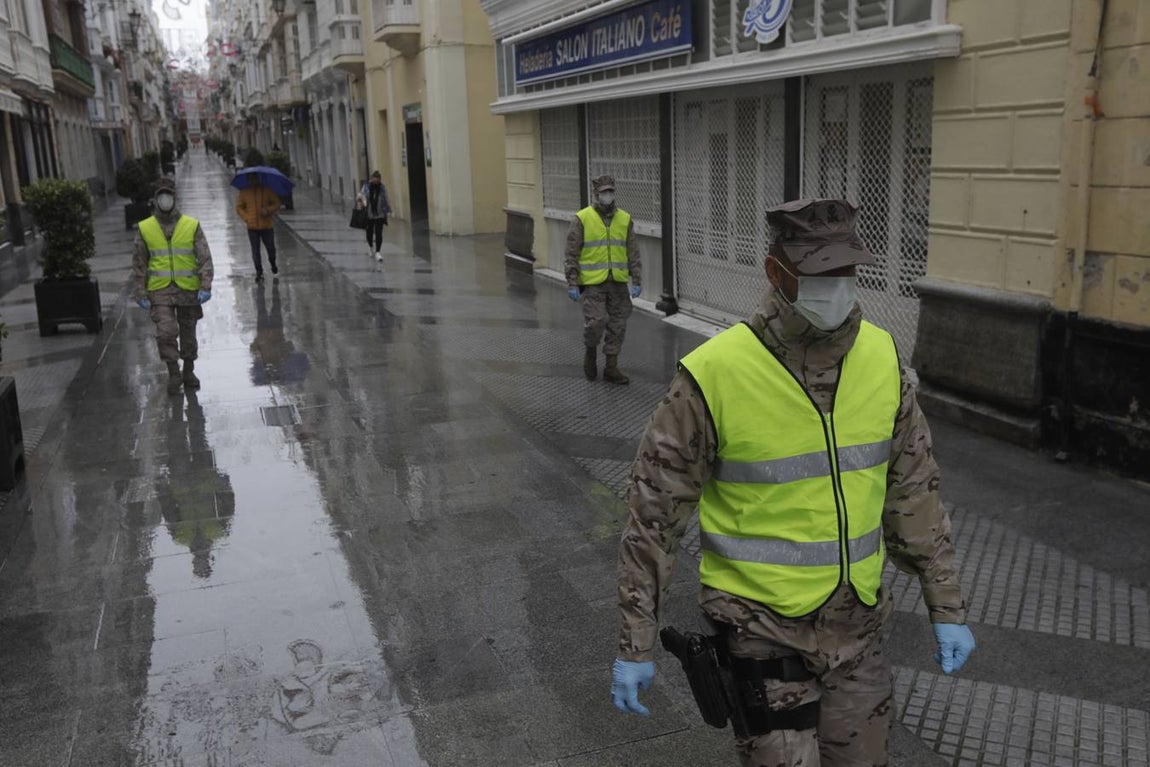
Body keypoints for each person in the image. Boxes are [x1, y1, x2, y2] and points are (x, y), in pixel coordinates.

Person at [610, 198, 976, 766]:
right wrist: (636, 643)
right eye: (817, 272)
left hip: (857, 633)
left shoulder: (882, 359)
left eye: (845, 271)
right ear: (775, 271)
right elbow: (654, 520)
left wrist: (946, 606)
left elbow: (915, 494)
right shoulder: (716, 374)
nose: (835, 285)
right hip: (762, 634)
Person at [132, 177, 214, 395]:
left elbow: (204, 256)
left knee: (188, 332)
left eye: (168, 195)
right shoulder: (145, 228)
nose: (165, 200)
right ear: (155, 200)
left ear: (175, 198)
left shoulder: (191, 225)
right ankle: (173, 373)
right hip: (159, 290)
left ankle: (188, 370)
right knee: (165, 332)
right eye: (161, 196)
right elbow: (139, 262)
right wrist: (140, 291)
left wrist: (206, 285)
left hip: (188, 288)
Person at [565, 175, 642, 385]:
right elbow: (571, 253)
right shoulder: (582, 218)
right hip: (593, 284)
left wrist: (637, 279)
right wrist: (572, 282)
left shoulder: (624, 219)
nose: (607, 195)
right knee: (596, 322)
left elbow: (632, 252)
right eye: (603, 192)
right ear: (596, 194)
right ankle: (590, 352)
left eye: (610, 191)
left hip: (617, 283)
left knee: (618, 326)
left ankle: (611, 367)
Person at [235, 172, 281, 280]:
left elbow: (277, 203)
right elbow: (239, 207)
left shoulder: (267, 190)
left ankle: (273, 263)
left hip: (267, 226)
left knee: (271, 248)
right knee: (255, 250)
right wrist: (247, 218)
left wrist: (267, 210)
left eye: (254, 178)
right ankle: (259, 272)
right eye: (250, 179)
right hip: (252, 227)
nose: (252, 181)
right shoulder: (244, 192)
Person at [357, 170, 392, 261]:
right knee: (369, 232)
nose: (376, 181)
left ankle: (378, 252)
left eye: (378, 179)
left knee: (379, 233)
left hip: (379, 214)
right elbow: (360, 198)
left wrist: (388, 211)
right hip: (368, 214)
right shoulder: (366, 188)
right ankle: (370, 246)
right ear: (371, 179)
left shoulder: (382, 188)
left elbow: (386, 199)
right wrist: (361, 201)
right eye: (375, 179)